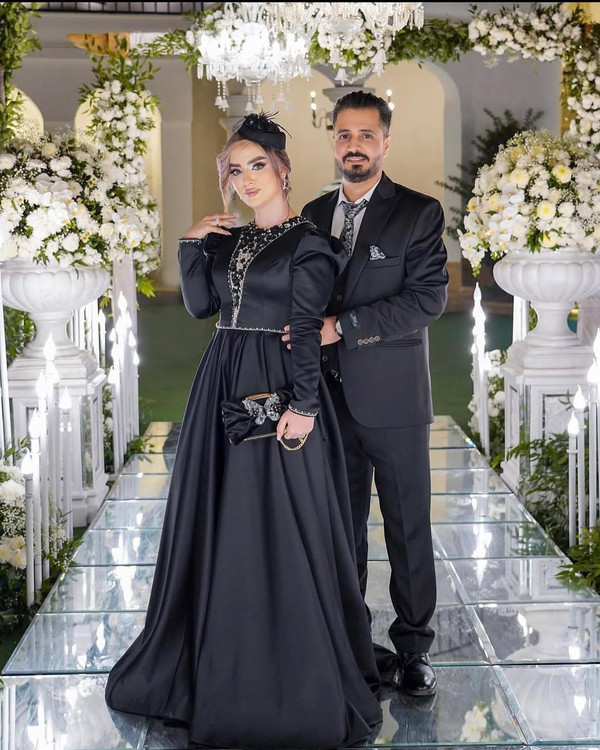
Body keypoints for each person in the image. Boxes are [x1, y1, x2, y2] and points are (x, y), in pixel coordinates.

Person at [104, 112, 382, 749]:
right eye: (236, 169)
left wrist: (304, 406)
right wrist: (190, 243)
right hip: (221, 380)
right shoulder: (229, 239)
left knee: (279, 519)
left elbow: (306, 327)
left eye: (258, 165)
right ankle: (214, 653)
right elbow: (202, 306)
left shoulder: (310, 244)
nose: (248, 178)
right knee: (218, 513)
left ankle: (288, 670)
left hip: (276, 386)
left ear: (282, 169)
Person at [296, 91, 449, 697]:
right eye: (343, 134)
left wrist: (344, 326)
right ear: (333, 141)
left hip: (394, 400)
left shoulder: (417, 212)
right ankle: (349, 642)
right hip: (327, 403)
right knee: (341, 527)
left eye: (365, 135)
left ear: (386, 141)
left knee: (407, 528)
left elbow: (427, 299)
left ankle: (414, 649)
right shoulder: (312, 212)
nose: (354, 145)